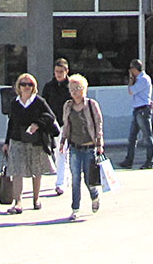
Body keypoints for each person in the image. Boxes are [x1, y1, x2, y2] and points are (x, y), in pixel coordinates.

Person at [2, 73, 57, 214]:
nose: (26, 87)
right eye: (23, 84)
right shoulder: (15, 102)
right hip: (17, 139)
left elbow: (50, 116)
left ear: (34, 87)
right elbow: (12, 122)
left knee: (36, 170)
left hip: (35, 141)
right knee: (16, 171)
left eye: (30, 84)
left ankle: (36, 198)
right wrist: (6, 142)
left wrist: (37, 124)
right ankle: (18, 202)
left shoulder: (39, 101)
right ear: (18, 87)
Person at [59, 74, 104, 220]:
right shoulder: (68, 106)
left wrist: (99, 144)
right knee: (75, 178)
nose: (74, 92)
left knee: (88, 179)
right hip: (74, 147)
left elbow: (98, 124)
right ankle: (75, 208)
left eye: (78, 88)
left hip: (89, 147)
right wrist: (62, 142)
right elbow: (66, 125)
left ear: (84, 89)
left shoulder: (91, 104)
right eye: (72, 88)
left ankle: (94, 196)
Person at [118, 59, 153, 169]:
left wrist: (130, 79)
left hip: (143, 110)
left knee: (147, 136)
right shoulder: (140, 79)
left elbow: (131, 91)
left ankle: (150, 161)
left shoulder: (143, 79)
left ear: (134, 69)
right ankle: (129, 160)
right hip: (138, 109)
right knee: (132, 137)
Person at [42, 58, 72, 196]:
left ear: (66, 71)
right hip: (53, 125)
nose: (58, 74)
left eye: (61, 72)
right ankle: (66, 176)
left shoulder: (72, 86)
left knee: (62, 153)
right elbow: (43, 105)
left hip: (67, 124)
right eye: (56, 72)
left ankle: (60, 182)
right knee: (57, 153)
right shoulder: (49, 87)